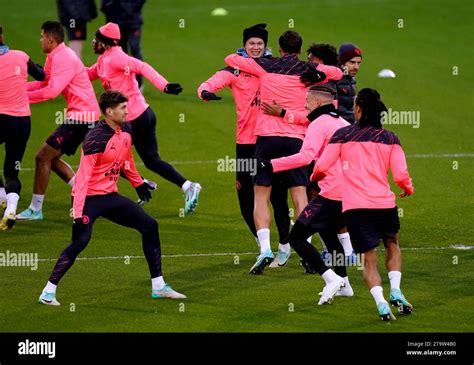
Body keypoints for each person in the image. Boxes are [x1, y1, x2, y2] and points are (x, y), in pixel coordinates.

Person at [38, 90, 186, 306]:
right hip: (88, 198)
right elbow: (82, 179)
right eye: (123, 108)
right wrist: (77, 213)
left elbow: (126, 160)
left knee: (149, 226)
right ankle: (48, 292)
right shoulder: (95, 140)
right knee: (80, 242)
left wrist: (138, 182)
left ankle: (158, 286)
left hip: (109, 196)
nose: (127, 111)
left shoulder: (126, 129)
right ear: (109, 111)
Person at [225, 30, 343, 274]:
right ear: (300, 51)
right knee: (299, 194)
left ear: (278, 49)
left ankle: (265, 249)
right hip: (295, 141)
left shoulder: (265, 65)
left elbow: (230, 59)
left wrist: (254, 57)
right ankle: (306, 250)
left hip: (267, 139)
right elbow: (338, 72)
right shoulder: (307, 71)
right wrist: (319, 71)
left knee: (261, 196)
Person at [313, 88, 414, 320]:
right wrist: (407, 188)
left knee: (369, 258)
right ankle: (396, 290)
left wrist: (314, 178)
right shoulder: (391, 138)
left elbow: (322, 166)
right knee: (392, 244)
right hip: (384, 204)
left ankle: (381, 303)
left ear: (357, 109)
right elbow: (400, 176)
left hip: (356, 208)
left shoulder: (343, 135)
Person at [197, 24, 290, 263]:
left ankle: (285, 244)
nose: (256, 47)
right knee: (245, 197)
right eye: (252, 43)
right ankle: (264, 247)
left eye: (260, 43)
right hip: (246, 143)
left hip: (270, 139)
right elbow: (211, 82)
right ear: (245, 45)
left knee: (278, 195)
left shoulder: (274, 67)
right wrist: (205, 92)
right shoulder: (235, 70)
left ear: (266, 46)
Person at [87, 23, 201, 214]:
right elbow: (85, 74)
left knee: (103, 154)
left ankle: (130, 189)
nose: (93, 42)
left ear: (105, 43)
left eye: (96, 39)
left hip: (132, 119)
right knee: (150, 160)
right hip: (141, 115)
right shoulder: (103, 61)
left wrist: (164, 86)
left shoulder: (117, 58)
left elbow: (141, 66)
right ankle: (187, 186)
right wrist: (52, 73)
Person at [258, 84, 354, 302]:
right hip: (348, 192)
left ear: (318, 103)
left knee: (296, 237)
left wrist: (270, 165)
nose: (304, 105)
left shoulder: (319, 124)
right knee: (330, 236)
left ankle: (331, 278)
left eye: (307, 102)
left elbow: (305, 157)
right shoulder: (343, 122)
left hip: (332, 193)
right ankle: (345, 284)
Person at [16, 21, 100, 222]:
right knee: (49, 159)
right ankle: (84, 192)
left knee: (42, 156)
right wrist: (18, 88)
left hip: (82, 117)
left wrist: (19, 98)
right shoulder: (55, 55)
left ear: (51, 39)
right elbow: (45, 81)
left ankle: (36, 209)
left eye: (42, 36)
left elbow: (51, 91)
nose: (40, 40)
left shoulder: (63, 58)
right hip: (82, 115)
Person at [0, 25, 45, 230]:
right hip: (22, 122)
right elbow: (42, 75)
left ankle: (2, 196)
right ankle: (10, 207)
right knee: (12, 170)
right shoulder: (21, 56)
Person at [100, 0, 146, 88]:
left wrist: (132, 8)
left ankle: (138, 84)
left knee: (134, 49)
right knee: (120, 52)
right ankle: (123, 83)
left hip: (133, 21)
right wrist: (108, 7)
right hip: (116, 20)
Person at [336, 43, 362, 124]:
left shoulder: (351, 79)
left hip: (349, 126)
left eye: (359, 63)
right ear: (342, 63)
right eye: (352, 62)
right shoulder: (333, 79)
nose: (356, 67)